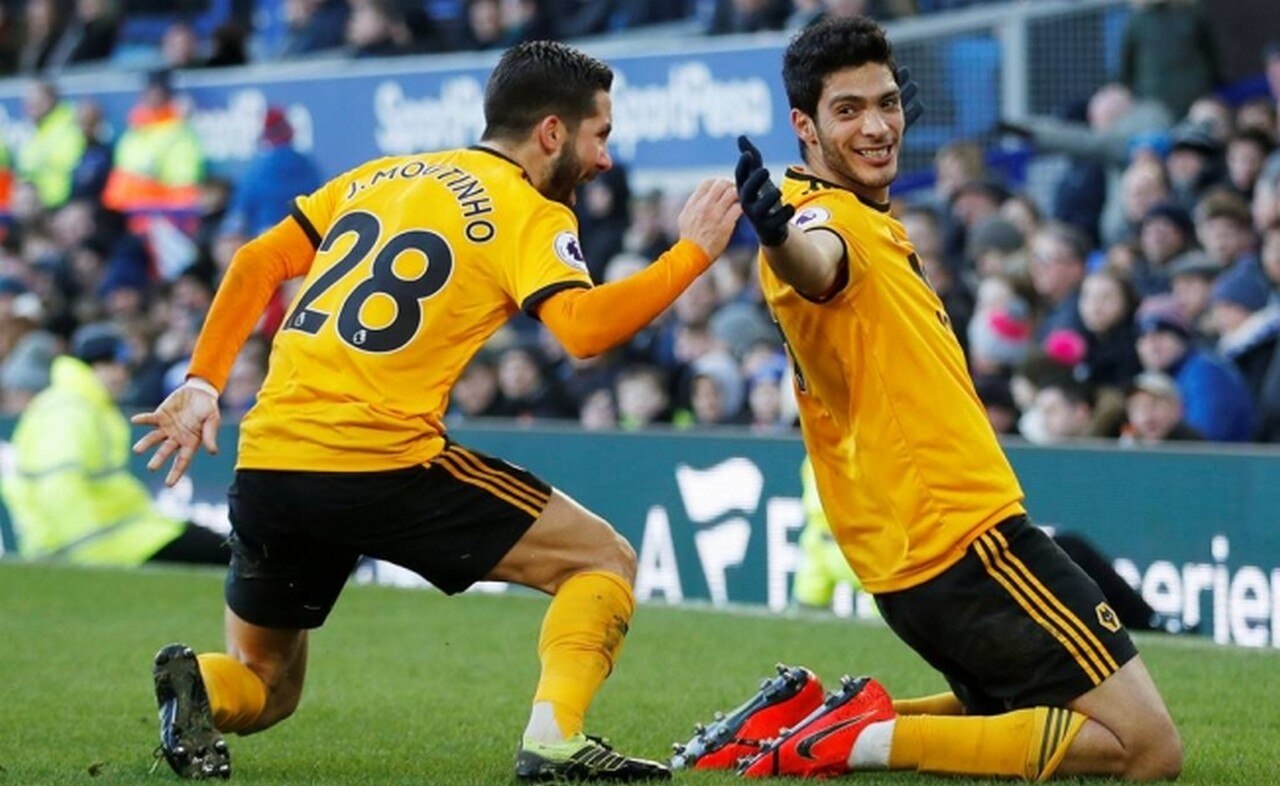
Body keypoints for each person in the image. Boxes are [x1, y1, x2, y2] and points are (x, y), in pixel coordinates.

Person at [130, 40, 740, 782]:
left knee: (265, 687)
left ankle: (200, 683)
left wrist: (202, 381)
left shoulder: (381, 176)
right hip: (381, 462)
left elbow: (258, 260)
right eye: (600, 134)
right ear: (551, 132)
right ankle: (555, 740)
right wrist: (692, 255)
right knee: (601, 559)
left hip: (271, 462)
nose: (605, 159)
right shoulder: (525, 206)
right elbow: (583, 332)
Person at [681, 17, 1182, 781]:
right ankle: (851, 739)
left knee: (1007, 716)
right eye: (847, 110)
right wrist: (777, 234)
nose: (878, 126)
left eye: (887, 102)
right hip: (965, 536)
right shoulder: (818, 221)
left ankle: (806, 719)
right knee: (1146, 749)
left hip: (916, 552)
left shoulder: (849, 208)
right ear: (802, 127)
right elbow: (817, 264)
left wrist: (841, 140)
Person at [0, 323, 228, 566]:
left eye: (124, 367)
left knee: (217, 548)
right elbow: (58, 485)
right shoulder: (70, 409)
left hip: (120, 535)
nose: (122, 375)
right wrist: (81, 559)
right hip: (101, 544)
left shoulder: (83, 405)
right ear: (94, 366)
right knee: (221, 554)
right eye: (113, 365)